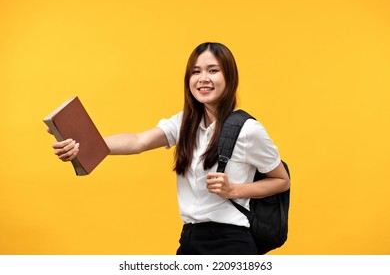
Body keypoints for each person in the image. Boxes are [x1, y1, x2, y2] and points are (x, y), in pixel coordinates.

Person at [49, 42, 290, 255]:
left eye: (213, 70)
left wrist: (234, 189)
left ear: (230, 77)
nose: (203, 78)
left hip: (231, 244)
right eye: (195, 72)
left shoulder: (248, 130)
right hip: (190, 241)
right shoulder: (185, 122)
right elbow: (138, 141)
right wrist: (80, 142)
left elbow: (282, 180)